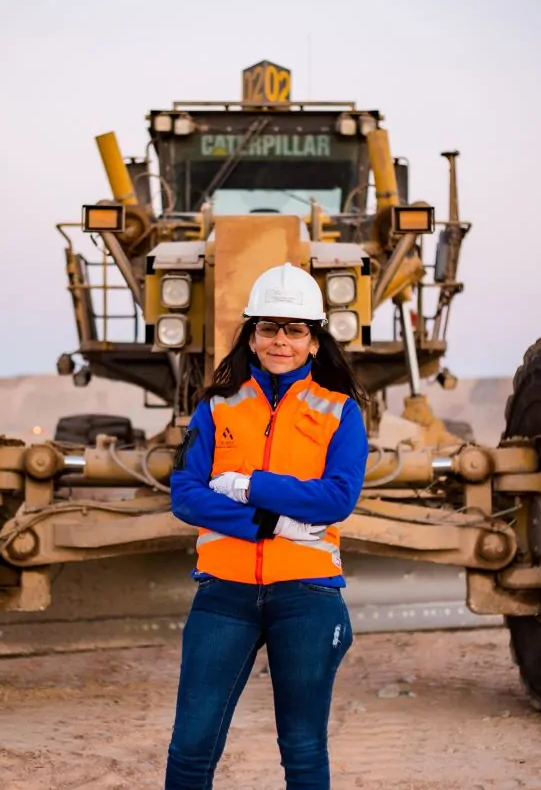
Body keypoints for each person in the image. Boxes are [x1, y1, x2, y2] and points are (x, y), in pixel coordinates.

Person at [164, 262, 370, 790]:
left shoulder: (340, 412)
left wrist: (250, 483)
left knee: (302, 751)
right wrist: (265, 524)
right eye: (269, 328)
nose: (281, 340)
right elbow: (186, 494)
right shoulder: (215, 407)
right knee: (190, 749)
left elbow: (336, 498)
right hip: (223, 596)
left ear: (314, 341)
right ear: (252, 337)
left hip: (307, 597)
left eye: (295, 329)